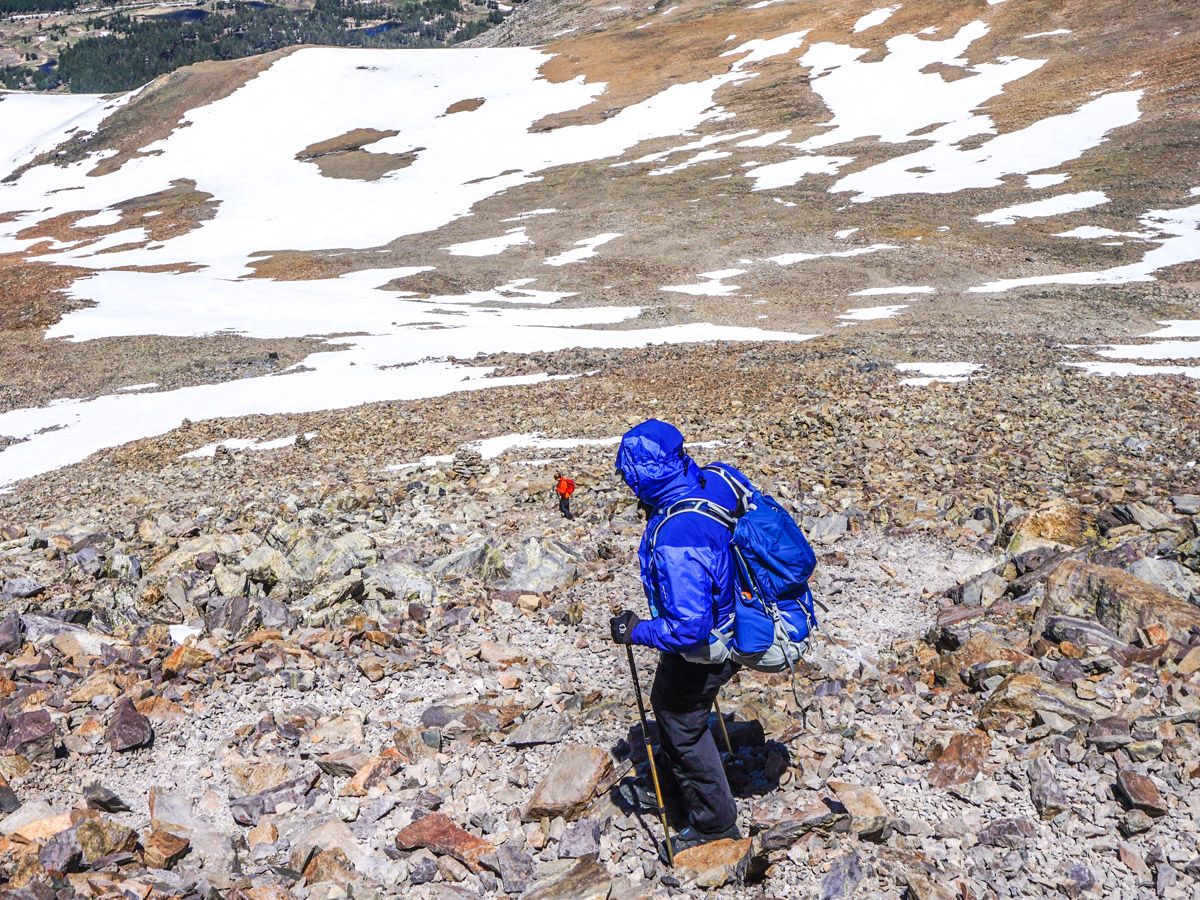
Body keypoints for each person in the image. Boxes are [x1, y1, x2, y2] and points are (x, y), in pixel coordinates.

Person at [608, 418, 748, 859]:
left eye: (630, 476)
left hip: (708, 647)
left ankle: (714, 824)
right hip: (738, 617)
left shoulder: (678, 534)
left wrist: (636, 632)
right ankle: (671, 788)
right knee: (669, 706)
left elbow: (689, 627)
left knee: (681, 724)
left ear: (642, 475)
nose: (628, 486)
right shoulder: (710, 479)